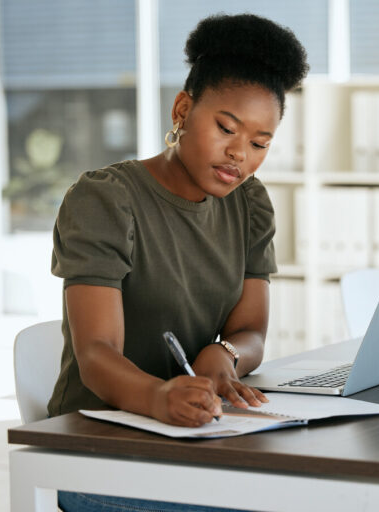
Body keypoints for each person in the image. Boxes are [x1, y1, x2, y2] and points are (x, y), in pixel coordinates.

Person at [47, 13, 308, 512]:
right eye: (226, 128)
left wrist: (223, 354)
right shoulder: (105, 200)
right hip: (98, 450)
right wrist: (158, 397)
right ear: (183, 108)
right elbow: (97, 353)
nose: (239, 155)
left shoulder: (250, 205)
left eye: (260, 143)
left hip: (199, 437)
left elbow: (252, 328)